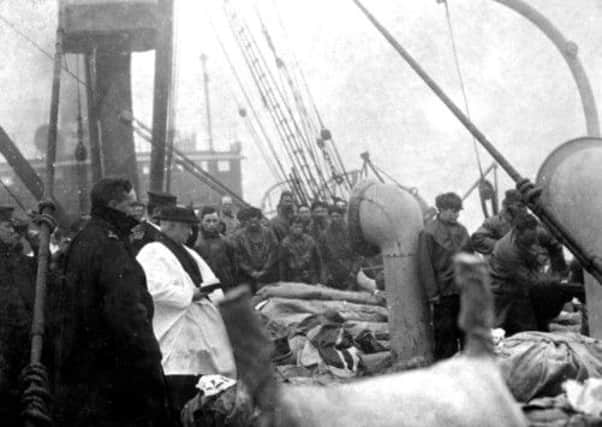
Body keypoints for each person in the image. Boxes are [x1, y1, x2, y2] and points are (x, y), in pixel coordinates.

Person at [51, 177, 174, 427]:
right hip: (118, 365)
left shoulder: (84, 239)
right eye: (131, 205)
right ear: (114, 205)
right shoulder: (111, 246)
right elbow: (126, 310)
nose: (136, 212)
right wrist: (149, 358)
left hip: (87, 365)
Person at [137, 206, 236, 412]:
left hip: (202, 330)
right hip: (177, 332)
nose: (190, 233)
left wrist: (215, 299)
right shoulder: (152, 251)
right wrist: (191, 294)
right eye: (186, 228)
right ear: (169, 226)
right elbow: (153, 288)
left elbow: (211, 281)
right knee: (180, 389)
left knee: (206, 390)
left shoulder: (189, 253)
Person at [489, 213, 564, 336]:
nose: (534, 240)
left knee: (539, 322)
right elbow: (528, 280)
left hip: (523, 281)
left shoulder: (536, 232)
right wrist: (553, 282)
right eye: (530, 239)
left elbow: (554, 245)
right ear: (518, 233)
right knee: (517, 328)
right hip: (503, 289)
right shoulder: (508, 251)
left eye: (535, 237)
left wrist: (558, 271)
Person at [417, 192, 470, 360]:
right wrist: (432, 294)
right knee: (446, 338)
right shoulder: (428, 233)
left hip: (464, 290)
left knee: (467, 334)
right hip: (444, 294)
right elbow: (425, 265)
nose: (456, 215)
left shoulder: (462, 230)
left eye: (457, 211)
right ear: (441, 209)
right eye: (452, 211)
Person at [0, 206, 37, 427]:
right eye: (8, 226)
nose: (15, 231)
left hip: (20, 343)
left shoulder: (16, 258)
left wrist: (38, 244)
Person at [471, 189, 567, 274]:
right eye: (520, 206)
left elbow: (549, 241)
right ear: (509, 207)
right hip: (503, 272)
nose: (524, 209)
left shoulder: (530, 222)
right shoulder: (494, 222)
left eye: (524, 206)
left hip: (529, 272)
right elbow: (478, 240)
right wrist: (506, 248)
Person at [233, 207, 279, 292]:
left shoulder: (268, 232)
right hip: (248, 278)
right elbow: (239, 257)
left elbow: (274, 251)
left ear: (259, 219)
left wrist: (265, 269)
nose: (252, 221)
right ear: (245, 220)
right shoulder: (239, 236)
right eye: (249, 219)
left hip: (269, 276)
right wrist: (252, 272)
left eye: (255, 218)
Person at [194, 206, 237, 292]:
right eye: (208, 221)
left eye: (214, 221)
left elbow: (233, 264)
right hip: (206, 286)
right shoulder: (195, 242)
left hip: (226, 285)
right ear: (201, 221)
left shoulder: (225, 241)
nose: (212, 224)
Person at [320, 205, 361, 290]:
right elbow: (323, 257)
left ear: (341, 217)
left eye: (337, 216)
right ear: (329, 218)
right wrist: (326, 274)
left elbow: (358, 256)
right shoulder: (325, 235)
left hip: (349, 271)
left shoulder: (350, 233)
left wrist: (353, 272)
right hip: (333, 273)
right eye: (332, 217)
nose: (334, 219)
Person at [130, 190, 178, 254]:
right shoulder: (141, 231)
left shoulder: (164, 232)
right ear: (156, 212)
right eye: (171, 213)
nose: (174, 217)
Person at [279, 215, 322, 284]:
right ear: (290, 227)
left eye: (300, 227)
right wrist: (283, 281)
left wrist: (320, 278)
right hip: (294, 278)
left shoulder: (310, 240)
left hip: (312, 276)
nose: (298, 229)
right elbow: (282, 265)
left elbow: (318, 259)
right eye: (295, 227)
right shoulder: (285, 243)